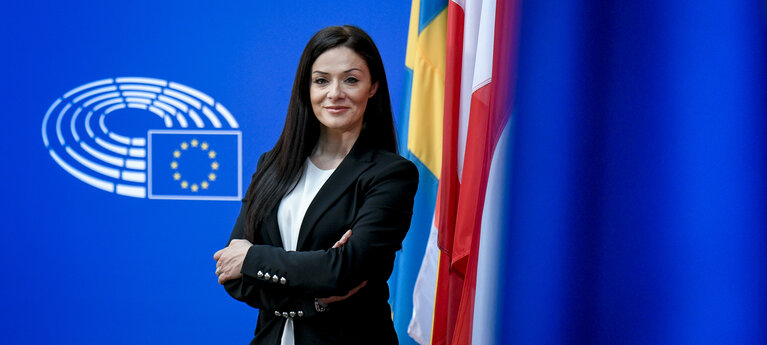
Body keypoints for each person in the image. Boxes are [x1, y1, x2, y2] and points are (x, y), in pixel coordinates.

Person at [213, 25, 418, 345]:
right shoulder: (272, 164)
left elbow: (344, 271)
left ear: (373, 86)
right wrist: (313, 299)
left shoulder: (391, 174)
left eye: (351, 79)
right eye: (321, 80)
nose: (335, 92)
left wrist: (253, 259)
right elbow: (231, 274)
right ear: (306, 89)